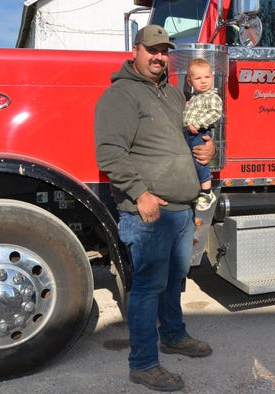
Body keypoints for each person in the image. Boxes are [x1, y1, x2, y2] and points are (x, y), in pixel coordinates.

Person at [94, 25, 216, 392]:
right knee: (147, 287)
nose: (159, 56)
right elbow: (109, 153)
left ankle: (174, 335)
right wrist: (140, 194)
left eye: (164, 50)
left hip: (181, 209)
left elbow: (189, 142)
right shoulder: (120, 95)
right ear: (136, 50)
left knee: (173, 281)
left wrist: (209, 152)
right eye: (152, 49)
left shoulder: (175, 96)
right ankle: (144, 363)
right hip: (149, 212)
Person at [183, 57, 223, 211]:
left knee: (200, 161)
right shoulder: (194, 98)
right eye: (198, 78)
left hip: (200, 134)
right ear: (189, 81)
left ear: (212, 77)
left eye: (207, 77)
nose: (203, 81)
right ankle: (196, 189)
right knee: (191, 162)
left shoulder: (212, 97)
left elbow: (214, 114)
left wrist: (197, 124)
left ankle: (207, 192)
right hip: (189, 134)